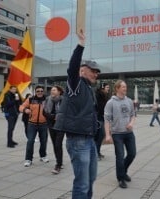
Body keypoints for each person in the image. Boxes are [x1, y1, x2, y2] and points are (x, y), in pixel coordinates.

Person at [53, 30, 100, 199]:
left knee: (91, 177)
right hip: (78, 141)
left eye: (97, 71)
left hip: (89, 139)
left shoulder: (88, 88)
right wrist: (81, 45)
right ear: (82, 71)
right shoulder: (76, 84)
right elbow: (72, 67)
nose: (96, 73)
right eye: (93, 70)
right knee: (82, 182)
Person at [104, 80, 136, 189]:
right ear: (117, 88)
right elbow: (107, 120)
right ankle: (121, 178)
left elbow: (133, 114)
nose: (125, 89)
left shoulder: (129, 101)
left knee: (132, 153)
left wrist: (131, 123)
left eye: (125, 87)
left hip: (129, 133)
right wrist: (108, 135)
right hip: (117, 134)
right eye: (123, 87)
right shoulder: (111, 103)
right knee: (120, 156)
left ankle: (123, 171)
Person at [19, 85, 49, 167]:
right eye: (38, 91)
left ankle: (43, 156)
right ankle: (28, 159)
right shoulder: (31, 99)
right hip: (32, 124)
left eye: (41, 91)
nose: (40, 92)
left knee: (43, 141)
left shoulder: (47, 100)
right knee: (30, 141)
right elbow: (21, 107)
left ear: (43, 92)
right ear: (35, 92)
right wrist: (25, 110)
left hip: (44, 124)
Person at [43, 86, 64, 174]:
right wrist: (52, 116)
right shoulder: (47, 100)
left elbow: (66, 112)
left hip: (61, 125)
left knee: (58, 144)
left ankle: (58, 165)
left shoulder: (63, 100)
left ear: (59, 92)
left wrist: (58, 117)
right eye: (51, 90)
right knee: (55, 144)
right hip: (51, 124)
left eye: (54, 90)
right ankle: (59, 161)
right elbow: (43, 112)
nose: (52, 91)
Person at [95, 82, 110, 160]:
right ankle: (96, 153)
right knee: (99, 136)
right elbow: (100, 107)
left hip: (102, 118)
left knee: (100, 136)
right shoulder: (99, 95)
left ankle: (97, 152)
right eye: (107, 87)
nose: (108, 89)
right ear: (102, 88)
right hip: (98, 118)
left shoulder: (104, 96)